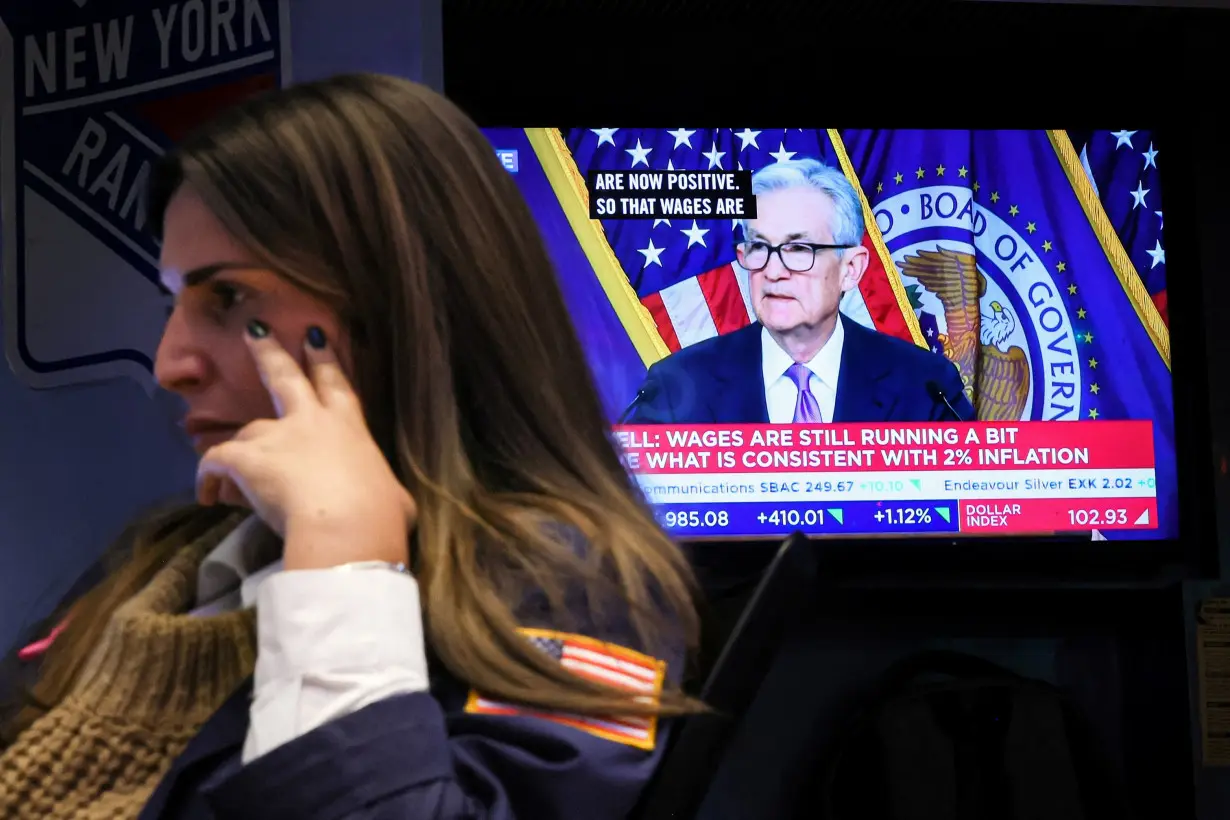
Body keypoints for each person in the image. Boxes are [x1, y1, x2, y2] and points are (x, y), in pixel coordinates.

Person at [0, 73, 703, 819]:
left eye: (228, 298)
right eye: (175, 304)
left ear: (399, 298)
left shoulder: (583, 587)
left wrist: (343, 560)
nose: (172, 364)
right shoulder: (161, 562)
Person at [624, 159, 973, 425]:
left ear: (851, 269)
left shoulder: (925, 387)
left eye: (799, 249)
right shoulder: (675, 388)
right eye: (759, 247)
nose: (773, 271)